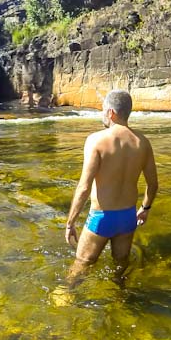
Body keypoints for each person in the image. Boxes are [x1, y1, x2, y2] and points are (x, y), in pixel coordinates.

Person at [64, 89, 158, 286]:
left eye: (103, 110)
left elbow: (84, 187)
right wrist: (145, 209)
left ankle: (64, 299)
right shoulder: (142, 143)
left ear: (111, 113)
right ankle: (120, 304)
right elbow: (153, 184)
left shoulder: (96, 140)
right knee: (120, 269)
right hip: (128, 217)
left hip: (102, 217)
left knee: (80, 268)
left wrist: (70, 223)